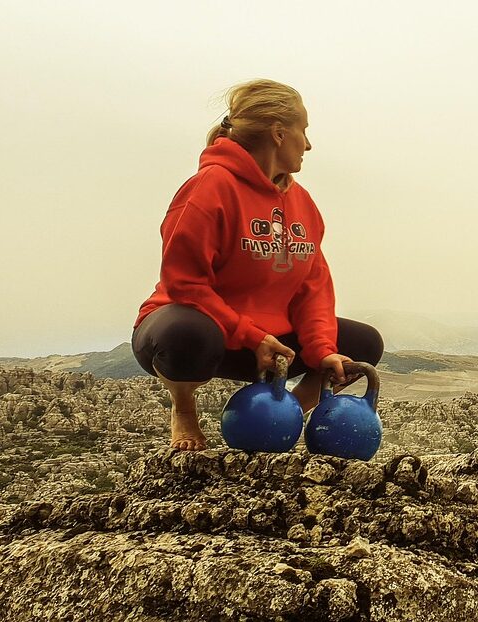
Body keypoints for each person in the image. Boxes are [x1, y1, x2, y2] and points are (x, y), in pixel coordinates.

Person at [132, 79, 383, 451]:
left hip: (270, 343)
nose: (308, 144)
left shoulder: (302, 203)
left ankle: (286, 412)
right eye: (304, 131)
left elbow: (313, 289)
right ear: (279, 134)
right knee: (186, 334)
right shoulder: (210, 187)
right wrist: (251, 336)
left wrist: (322, 350)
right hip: (202, 335)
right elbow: (184, 284)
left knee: (364, 342)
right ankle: (183, 408)